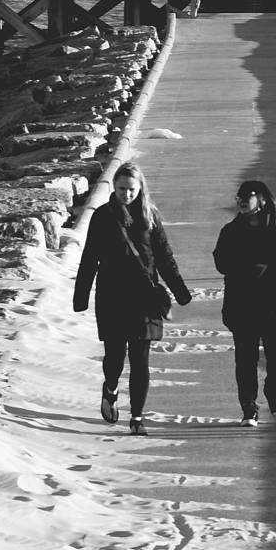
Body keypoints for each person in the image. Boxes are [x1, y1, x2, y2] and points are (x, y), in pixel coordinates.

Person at [74, 162, 193, 435]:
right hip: (112, 297)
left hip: (144, 298)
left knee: (140, 360)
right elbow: (90, 259)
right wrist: (80, 297)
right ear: (113, 188)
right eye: (121, 189)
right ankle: (111, 387)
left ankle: (137, 418)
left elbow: (164, 257)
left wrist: (180, 291)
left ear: (140, 189)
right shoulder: (103, 216)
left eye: (131, 189)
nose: (126, 194)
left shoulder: (150, 216)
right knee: (114, 357)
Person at [212, 179, 276, 426]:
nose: (242, 200)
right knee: (245, 359)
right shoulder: (231, 231)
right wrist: (245, 268)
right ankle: (249, 408)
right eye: (239, 197)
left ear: (261, 198)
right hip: (243, 303)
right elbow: (220, 262)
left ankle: (272, 391)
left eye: (248, 196)